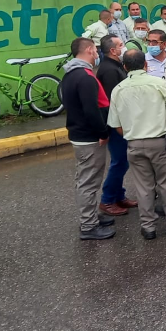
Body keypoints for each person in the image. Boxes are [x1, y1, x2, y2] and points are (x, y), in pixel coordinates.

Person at [107, 50, 166, 240]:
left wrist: (132, 136)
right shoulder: (160, 84)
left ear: (125, 67)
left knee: (143, 187)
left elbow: (117, 125)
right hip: (160, 141)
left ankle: (148, 227)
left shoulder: (118, 89)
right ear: (145, 65)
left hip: (134, 145)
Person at [60, 37, 114, 240]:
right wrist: (102, 132)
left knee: (87, 179)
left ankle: (91, 216)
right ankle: (88, 225)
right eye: (96, 50)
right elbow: (91, 110)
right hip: (88, 138)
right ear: (90, 50)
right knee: (89, 182)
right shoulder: (85, 77)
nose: (98, 54)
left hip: (80, 134)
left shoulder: (71, 74)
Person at [95, 35, 138, 216]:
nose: (123, 47)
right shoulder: (110, 70)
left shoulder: (115, 66)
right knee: (119, 162)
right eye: (121, 45)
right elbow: (116, 100)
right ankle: (107, 200)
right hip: (116, 124)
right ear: (112, 50)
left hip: (121, 122)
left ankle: (119, 195)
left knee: (122, 162)